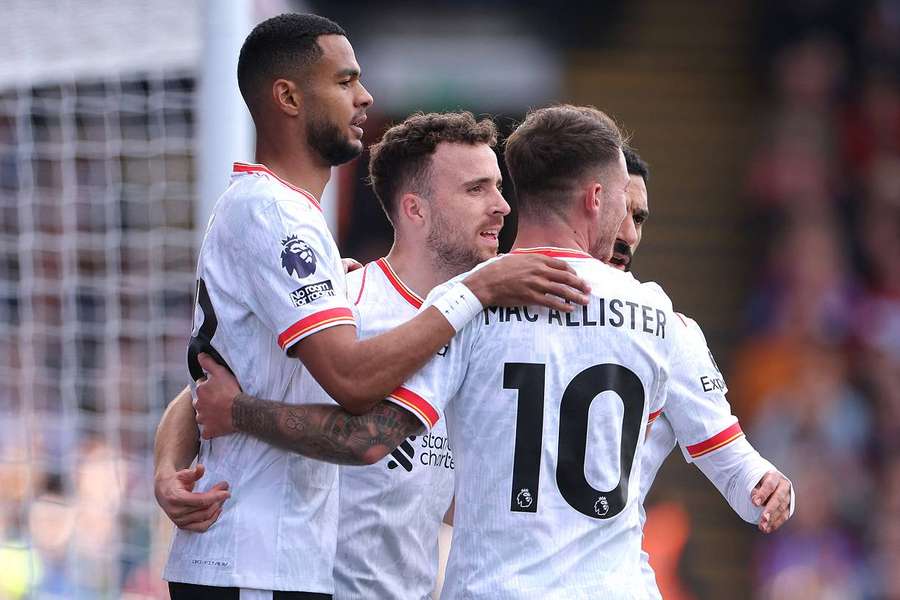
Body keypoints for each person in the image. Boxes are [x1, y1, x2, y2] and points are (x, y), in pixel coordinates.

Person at [191, 104, 724, 598]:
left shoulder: (497, 323)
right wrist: (173, 463)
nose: (501, 206)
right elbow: (211, 381)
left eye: (499, 185)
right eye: (476, 189)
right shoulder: (349, 301)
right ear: (416, 210)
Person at [158, 14, 590, 600]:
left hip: (308, 571)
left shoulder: (332, 259)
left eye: (499, 187)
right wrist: (477, 290)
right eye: (344, 82)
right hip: (254, 563)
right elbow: (244, 391)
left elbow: (221, 374)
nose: (501, 208)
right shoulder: (280, 221)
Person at [613, 147, 794, 598]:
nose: (629, 234)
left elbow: (735, 466)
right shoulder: (494, 304)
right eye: (620, 212)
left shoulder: (665, 330)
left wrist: (767, 485)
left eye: (640, 218)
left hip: (612, 580)